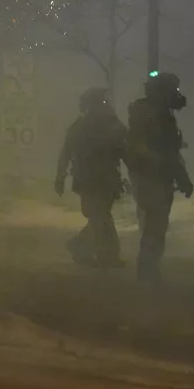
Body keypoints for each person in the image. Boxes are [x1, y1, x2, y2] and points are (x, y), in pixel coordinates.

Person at [126, 72, 193, 287]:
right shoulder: (159, 116)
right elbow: (167, 153)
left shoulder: (145, 113)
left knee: (152, 224)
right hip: (154, 177)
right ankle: (148, 273)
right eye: (173, 90)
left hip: (146, 176)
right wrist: (183, 179)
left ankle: (148, 271)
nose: (177, 94)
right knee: (156, 226)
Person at [55, 87, 128, 268]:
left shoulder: (109, 125)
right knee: (100, 216)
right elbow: (66, 153)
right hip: (90, 180)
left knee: (99, 217)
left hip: (103, 179)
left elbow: (126, 148)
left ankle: (86, 248)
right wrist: (60, 176)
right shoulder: (84, 126)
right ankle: (105, 255)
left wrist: (60, 177)